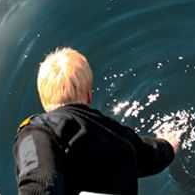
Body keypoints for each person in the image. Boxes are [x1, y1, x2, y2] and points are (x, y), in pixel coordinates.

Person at [14, 48, 183, 194]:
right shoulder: (115, 133)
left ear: (44, 101)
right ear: (89, 95)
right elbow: (152, 157)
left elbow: (40, 184)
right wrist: (168, 144)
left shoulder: (38, 132)